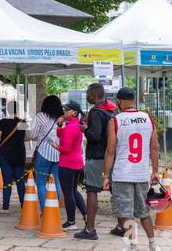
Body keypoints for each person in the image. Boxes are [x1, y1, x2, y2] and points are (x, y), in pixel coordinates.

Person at [102, 88, 161, 251]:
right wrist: (155, 171)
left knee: (126, 213)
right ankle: (153, 246)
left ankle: (133, 248)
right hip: (141, 174)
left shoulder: (116, 120)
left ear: (119, 101)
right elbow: (154, 147)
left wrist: (106, 175)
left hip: (121, 174)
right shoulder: (148, 118)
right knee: (144, 212)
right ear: (133, 100)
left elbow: (110, 150)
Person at [74, 83, 118, 240]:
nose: (87, 95)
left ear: (93, 94)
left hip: (97, 157)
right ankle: (121, 226)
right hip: (112, 157)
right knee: (115, 191)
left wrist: (85, 129)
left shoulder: (95, 111)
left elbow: (94, 136)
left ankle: (90, 229)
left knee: (92, 190)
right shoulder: (113, 110)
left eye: (87, 92)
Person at [53, 100, 87, 231]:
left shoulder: (71, 128)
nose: (64, 112)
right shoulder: (75, 124)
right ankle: (85, 215)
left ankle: (71, 221)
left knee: (68, 194)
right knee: (73, 191)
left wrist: (56, 146)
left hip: (67, 163)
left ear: (74, 112)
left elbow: (65, 148)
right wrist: (59, 124)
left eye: (67, 110)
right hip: (77, 163)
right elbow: (59, 134)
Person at [27, 95, 64, 212]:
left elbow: (32, 134)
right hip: (59, 153)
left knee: (41, 181)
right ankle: (54, 209)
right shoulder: (62, 118)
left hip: (43, 152)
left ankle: (45, 209)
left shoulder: (40, 116)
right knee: (56, 181)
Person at [0, 101, 26, 214]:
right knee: (20, 181)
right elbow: (26, 137)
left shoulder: (3, 122)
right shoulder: (23, 122)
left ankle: (5, 207)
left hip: (6, 154)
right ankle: (24, 206)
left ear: (7, 109)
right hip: (19, 154)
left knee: (7, 181)